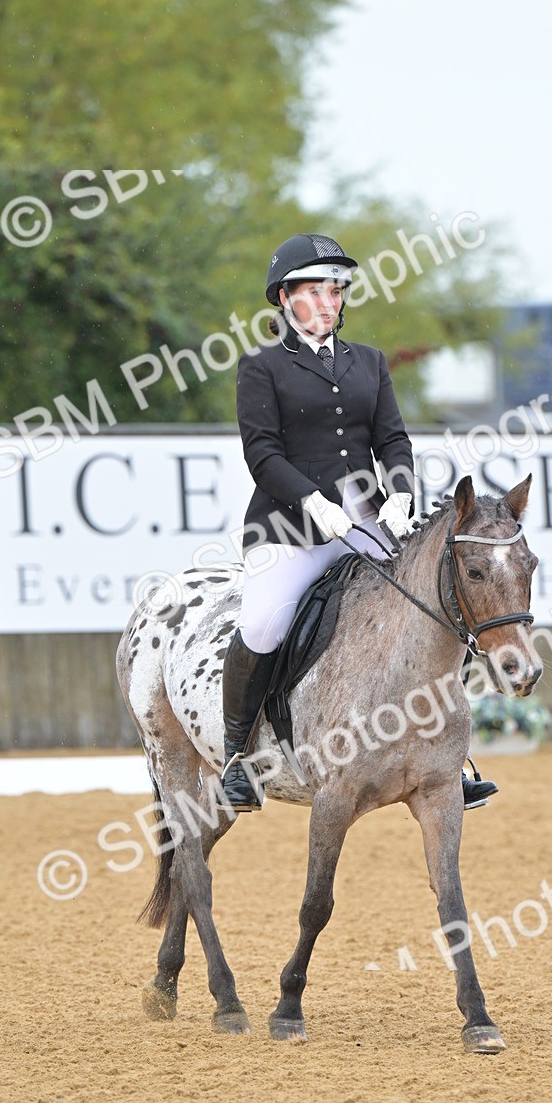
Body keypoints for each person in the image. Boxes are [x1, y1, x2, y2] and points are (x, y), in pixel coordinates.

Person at [220, 233, 497, 812]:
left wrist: (399, 493)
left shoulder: (368, 361)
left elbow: (392, 440)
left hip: (368, 523)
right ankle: (236, 757)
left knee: (437, 601)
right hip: (289, 528)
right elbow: (262, 454)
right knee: (264, 625)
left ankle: (449, 755)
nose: (330, 302)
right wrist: (312, 502)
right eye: (316, 291)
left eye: (336, 291)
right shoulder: (261, 366)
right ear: (285, 298)